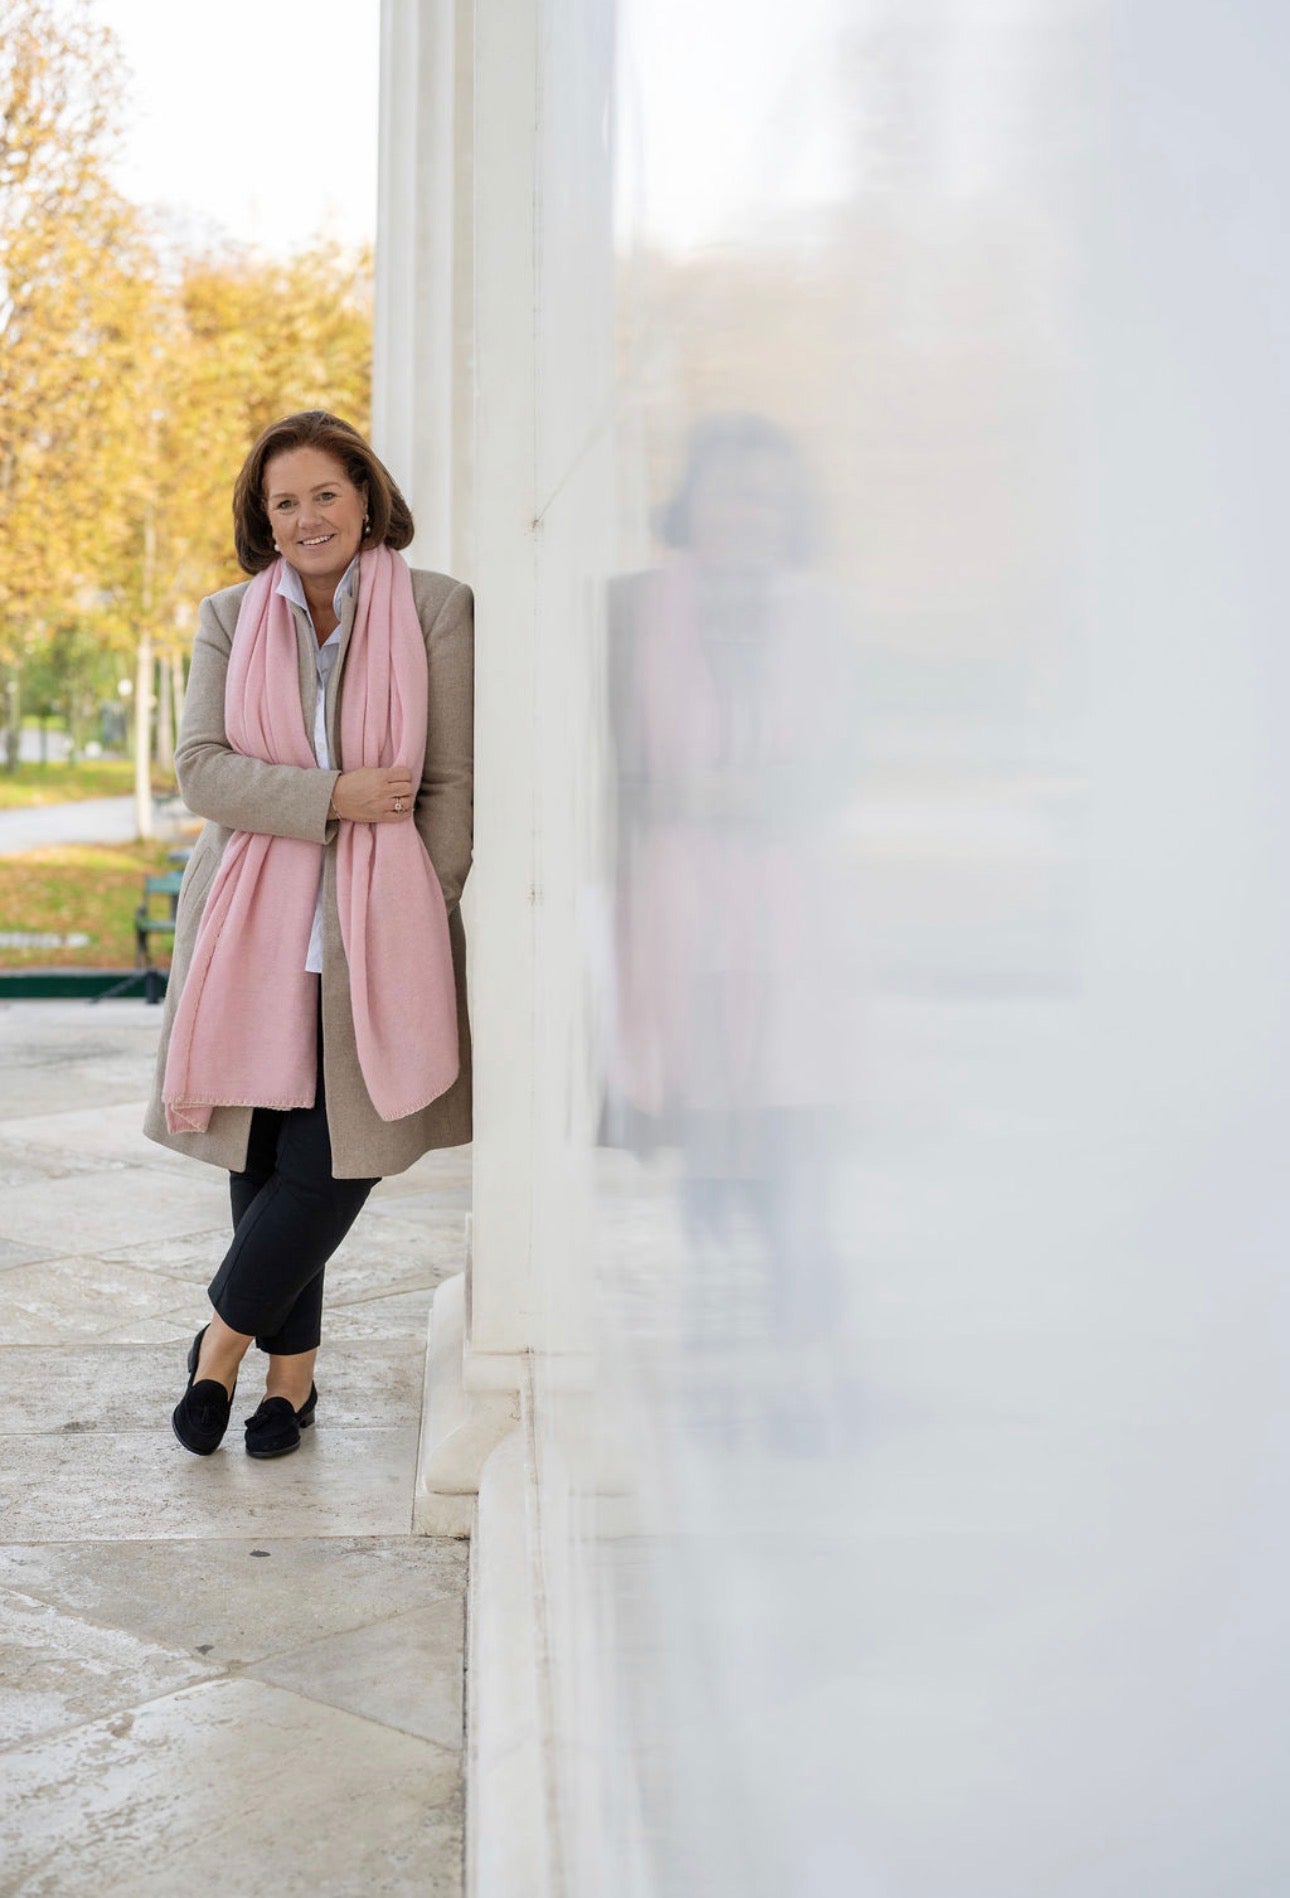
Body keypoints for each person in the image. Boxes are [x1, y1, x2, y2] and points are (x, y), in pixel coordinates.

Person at [141, 409, 474, 1459]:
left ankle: (218, 1346)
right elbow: (203, 770)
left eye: (325, 493)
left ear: (366, 497)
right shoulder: (229, 616)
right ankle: (291, 1386)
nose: (306, 517)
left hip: (383, 926)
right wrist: (335, 795)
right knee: (268, 1149)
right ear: (264, 518)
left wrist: (418, 898)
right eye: (283, 502)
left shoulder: (436, 607)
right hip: (251, 923)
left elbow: (450, 782)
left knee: (332, 1160)